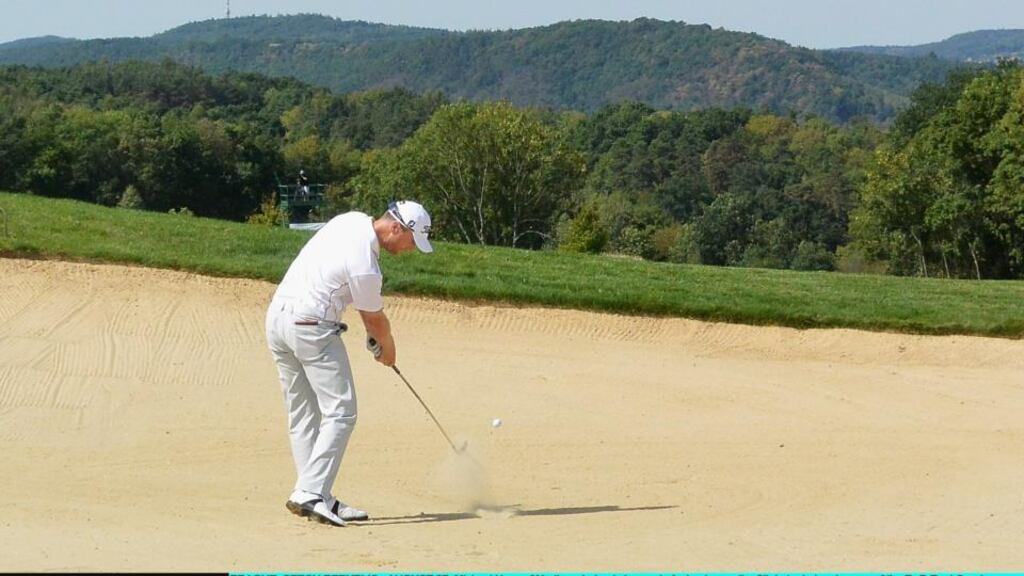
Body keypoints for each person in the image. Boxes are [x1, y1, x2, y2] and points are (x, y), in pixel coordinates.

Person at [265, 200, 433, 527]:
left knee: (303, 413)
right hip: (311, 327)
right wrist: (388, 351)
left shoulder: (350, 219)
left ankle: (316, 494)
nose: (411, 249)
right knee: (341, 412)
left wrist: (376, 339)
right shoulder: (367, 266)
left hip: (277, 319)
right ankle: (310, 492)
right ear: (396, 227)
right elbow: (374, 321)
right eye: (412, 241)